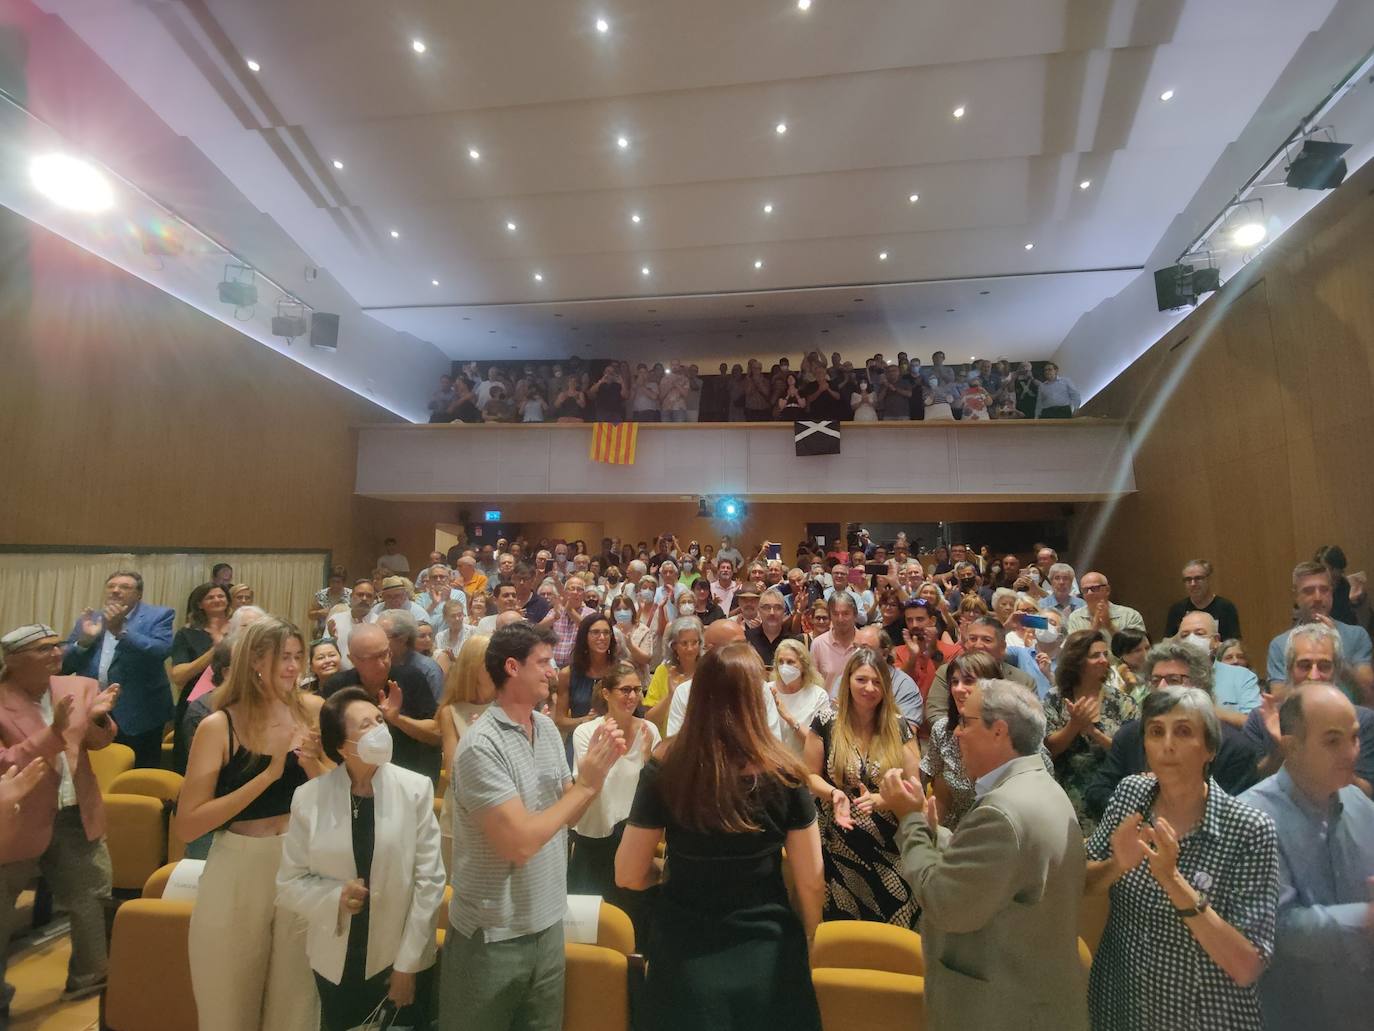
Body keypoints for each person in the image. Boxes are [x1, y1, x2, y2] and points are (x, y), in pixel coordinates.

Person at [615, 643, 824, 1031]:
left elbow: (627, 873)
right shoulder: (786, 772)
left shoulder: (666, 765)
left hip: (683, 951)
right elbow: (811, 878)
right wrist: (811, 937)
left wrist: (668, 873)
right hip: (768, 952)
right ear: (756, 698)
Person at [443, 623, 626, 1030]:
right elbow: (520, 844)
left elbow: (569, 815)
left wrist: (594, 775)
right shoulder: (480, 747)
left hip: (547, 922)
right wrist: (588, 784)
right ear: (512, 667)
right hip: (493, 934)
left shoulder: (544, 728)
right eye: (543, 662)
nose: (552, 671)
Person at [880, 678, 1087, 1031]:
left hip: (1001, 1009)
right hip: (1032, 994)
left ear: (999, 731)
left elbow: (943, 902)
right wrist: (936, 834)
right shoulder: (1040, 785)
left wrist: (910, 820)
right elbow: (995, 869)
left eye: (966, 722)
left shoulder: (1002, 811)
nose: (957, 733)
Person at [1084, 687, 1279, 1031]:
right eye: (1156, 731)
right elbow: (1082, 884)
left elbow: (1247, 965)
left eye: (1184, 731)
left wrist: (1173, 880)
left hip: (1204, 1015)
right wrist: (1117, 864)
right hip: (1121, 1005)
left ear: (1210, 749)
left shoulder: (1249, 828)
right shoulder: (1130, 794)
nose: (1167, 745)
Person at [176, 618, 325, 1031]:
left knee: (296, 1005)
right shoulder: (218, 724)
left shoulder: (312, 711)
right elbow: (188, 825)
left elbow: (339, 793)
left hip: (301, 862)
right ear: (256, 661)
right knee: (228, 1003)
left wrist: (316, 765)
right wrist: (268, 775)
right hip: (240, 865)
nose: (294, 667)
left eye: (299, 656)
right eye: (284, 658)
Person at [277, 687, 446, 1031]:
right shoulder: (309, 798)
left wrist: (408, 965)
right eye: (365, 725)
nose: (379, 729)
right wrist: (334, 896)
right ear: (341, 745)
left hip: (398, 953)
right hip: (336, 956)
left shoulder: (415, 789)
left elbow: (430, 882)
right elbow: (289, 882)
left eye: (379, 720)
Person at [1239, 683, 1374, 1029]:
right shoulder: (1252, 816)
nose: (1351, 753)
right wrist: (1365, 919)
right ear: (1291, 746)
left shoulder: (1359, 802)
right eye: (1332, 741)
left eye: (1355, 737)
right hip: (1294, 1010)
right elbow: (1276, 930)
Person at [0, 625, 120, 1009]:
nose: (55, 654)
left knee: (92, 896)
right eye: (42, 649)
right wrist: (51, 733)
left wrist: (99, 719)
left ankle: (90, 978)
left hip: (74, 812)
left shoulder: (76, 686)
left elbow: (97, 742)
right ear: (13, 660)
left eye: (57, 646)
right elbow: (5, 763)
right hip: (16, 819)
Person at [805, 648, 921, 927]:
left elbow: (914, 783)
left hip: (889, 843)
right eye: (861, 680)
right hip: (837, 842)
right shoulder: (825, 722)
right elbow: (809, 775)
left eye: (877, 682)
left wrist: (882, 800)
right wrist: (834, 793)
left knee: (895, 925)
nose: (869, 688)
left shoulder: (898, 726)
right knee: (842, 926)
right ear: (848, 681)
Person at [1084, 643, 1261, 819]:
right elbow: (1097, 791)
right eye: (1155, 680)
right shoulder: (1130, 734)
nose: (1161, 688)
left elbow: (1235, 815)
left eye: (1173, 680)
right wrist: (1139, 804)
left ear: (1200, 685)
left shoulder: (1236, 748)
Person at [569, 662, 660, 940]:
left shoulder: (649, 732)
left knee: (633, 927)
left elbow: (656, 792)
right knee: (592, 931)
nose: (632, 696)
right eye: (625, 690)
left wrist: (647, 762)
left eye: (637, 690)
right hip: (593, 839)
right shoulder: (587, 733)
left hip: (633, 839)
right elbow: (588, 784)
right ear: (606, 693)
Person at [1244, 623, 1374, 796]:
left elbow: (1367, 794)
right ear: (1289, 670)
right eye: (1304, 665)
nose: (1314, 676)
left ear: (1336, 672)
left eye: (1324, 666)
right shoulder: (1261, 719)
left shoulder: (1362, 721)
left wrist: (1339, 756)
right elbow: (1251, 784)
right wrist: (1283, 748)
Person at [60, 570, 174, 768]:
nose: (116, 591)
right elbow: (64, 666)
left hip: (140, 714)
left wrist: (121, 631)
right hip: (93, 711)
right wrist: (84, 643)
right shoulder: (91, 619)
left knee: (140, 775)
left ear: (139, 594)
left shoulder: (158, 616)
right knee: (94, 770)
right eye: (111, 586)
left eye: (124, 587)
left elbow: (160, 652)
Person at [1044, 630, 1138, 835]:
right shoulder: (1055, 698)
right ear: (1076, 661)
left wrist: (1092, 732)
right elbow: (1049, 751)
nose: (1104, 660)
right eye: (1095, 655)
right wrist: (1074, 725)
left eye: (1105, 654)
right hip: (1065, 798)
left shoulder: (1122, 702)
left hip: (1109, 798)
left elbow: (1130, 754)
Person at [323, 624, 440, 782]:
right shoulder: (337, 687)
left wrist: (397, 719)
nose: (382, 663)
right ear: (352, 660)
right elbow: (329, 745)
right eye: (371, 658)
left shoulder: (411, 678)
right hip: (354, 781)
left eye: (385, 654)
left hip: (408, 778)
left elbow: (437, 734)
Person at [1266, 561, 1373, 703]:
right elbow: (1278, 700)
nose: (1318, 597)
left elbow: (1368, 692)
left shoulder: (1356, 635)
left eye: (1324, 590)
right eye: (1308, 591)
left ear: (1332, 592)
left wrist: (1336, 648)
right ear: (1296, 596)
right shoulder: (1280, 644)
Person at [924, 616, 1037, 726]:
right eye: (972, 639)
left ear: (1002, 647)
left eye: (986, 640)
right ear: (965, 644)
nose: (978, 645)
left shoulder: (1023, 681)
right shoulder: (947, 672)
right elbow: (935, 714)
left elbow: (1029, 724)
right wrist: (967, 731)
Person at [1176, 611, 1261, 727]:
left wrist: (1209, 712)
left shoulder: (1242, 677)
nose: (1191, 639)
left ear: (1216, 641)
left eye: (1199, 633)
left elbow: (1256, 725)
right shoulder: (1169, 678)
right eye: (1184, 635)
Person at [555, 613, 621, 762]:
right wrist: (585, 720)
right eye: (595, 632)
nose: (602, 637)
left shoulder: (622, 671)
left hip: (617, 739)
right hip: (580, 740)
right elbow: (560, 720)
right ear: (584, 636)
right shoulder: (567, 674)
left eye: (606, 632)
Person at [768, 639, 831, 757]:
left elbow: (820, 745)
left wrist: (790, 719)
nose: (784, 667)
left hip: (803, 767)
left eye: (790, 662)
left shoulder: (818, 696)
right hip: (772, 766)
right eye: (780, 662)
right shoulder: (767, 691)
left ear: (803, 665)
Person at [643, 616, 702, 733]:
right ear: (674, 646)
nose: (690, 648)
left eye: (694, 642)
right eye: (684, 643)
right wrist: (671, 695)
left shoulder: (708, 670)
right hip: (669, 744)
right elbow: (650, 720)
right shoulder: (663, 671)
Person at [1165, 559, 1242, 640]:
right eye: (1188, 579)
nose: (1193, 584)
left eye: (1198, 578)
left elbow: (1234, 644)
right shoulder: (1177, 609)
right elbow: (1166, 642)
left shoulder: (1226, 607)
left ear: (1208, 579)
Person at [1065, 570, 1146, 643]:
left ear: (1107, 590)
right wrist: (1094, 628)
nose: (1089, 593)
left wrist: (1109, 626)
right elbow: (1074, 651)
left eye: (1095, 588)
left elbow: (1137, 648)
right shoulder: (1075, 617)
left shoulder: (1130, 615)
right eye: (1085, 590)